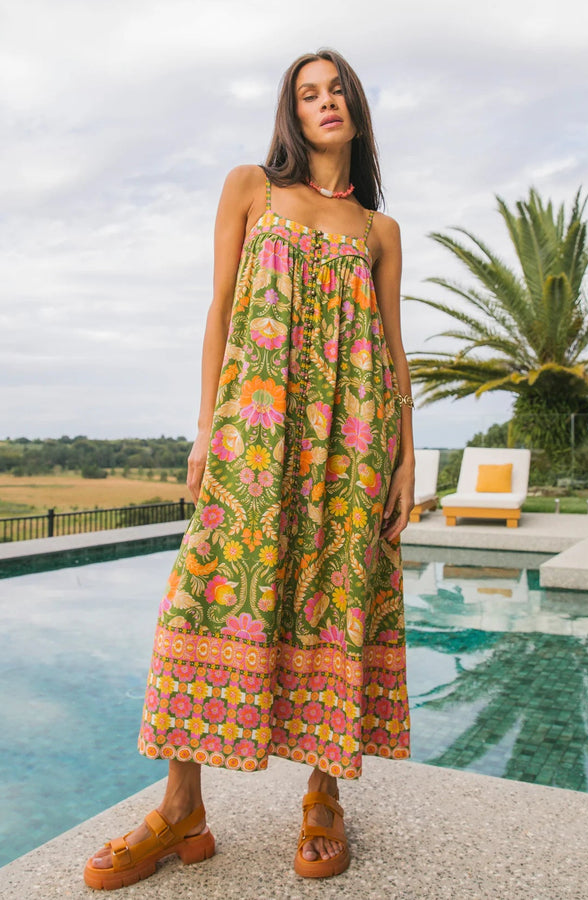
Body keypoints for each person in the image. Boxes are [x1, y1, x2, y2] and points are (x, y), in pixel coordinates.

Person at [83, 47, 414, 890]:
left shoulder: (379, 231)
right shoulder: (251, 188)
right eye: (308, 94)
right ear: (291, 114)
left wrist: (407, 456)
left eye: (337, 90)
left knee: (338, 599)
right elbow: (222, 305)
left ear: (356, 108)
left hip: (354, 437)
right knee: (205, 589)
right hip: (254, 433)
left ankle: (324, 799)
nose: (325, 102)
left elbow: (394, 353)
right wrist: (206, 428)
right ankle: (181, 809)